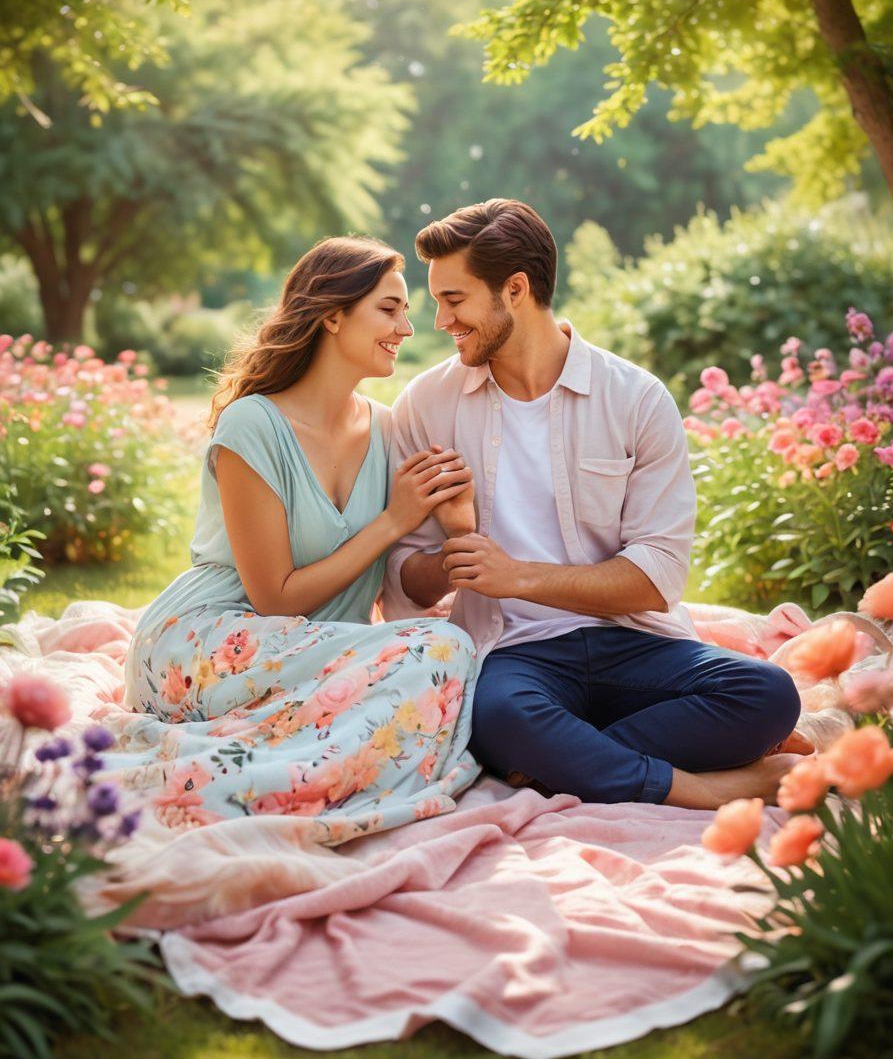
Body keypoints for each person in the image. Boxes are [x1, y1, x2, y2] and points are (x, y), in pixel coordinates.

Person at [382, 199, 806, 810]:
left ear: (516, 289)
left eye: (454, 300)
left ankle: (559, 762)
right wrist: (456, 551)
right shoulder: (426, 405)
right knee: (502, 714)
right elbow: (406, 581)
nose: (441, 320)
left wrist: (518, 576)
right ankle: (705, 788)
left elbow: (658, 577)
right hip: (514, 656)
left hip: (633, 642)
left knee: (766, 695)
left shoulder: (635, 399)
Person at [119, 237, 480, 843]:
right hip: (203, 639)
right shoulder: (252, 424)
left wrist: (459, 527)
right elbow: (274, 599)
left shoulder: (389, 431)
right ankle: (272, 783)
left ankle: (298, 778)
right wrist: (392, 520)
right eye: (389, 310)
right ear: (333, 314)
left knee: (446, 651)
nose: (409, 328)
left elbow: (408, 580)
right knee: (440, 650)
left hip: (311, 654)